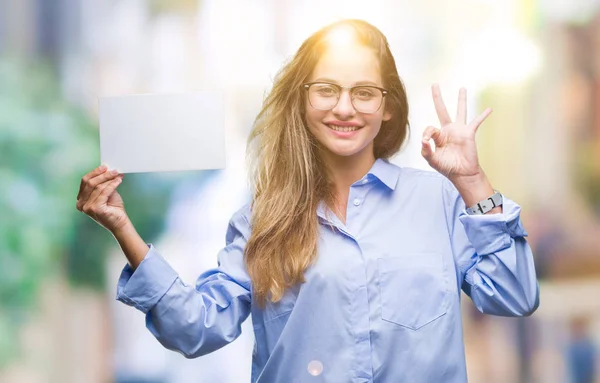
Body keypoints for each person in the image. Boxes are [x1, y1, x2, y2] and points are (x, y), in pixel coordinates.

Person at [76, 19, 540, 383]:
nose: (344, 108)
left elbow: (516, 295)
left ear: (389, 106)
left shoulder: (438, 200)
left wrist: (474, 181)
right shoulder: (263, 219)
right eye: (326, 89)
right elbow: (194, 329)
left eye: (364, 92)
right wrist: (123, 228)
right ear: (302, 101)